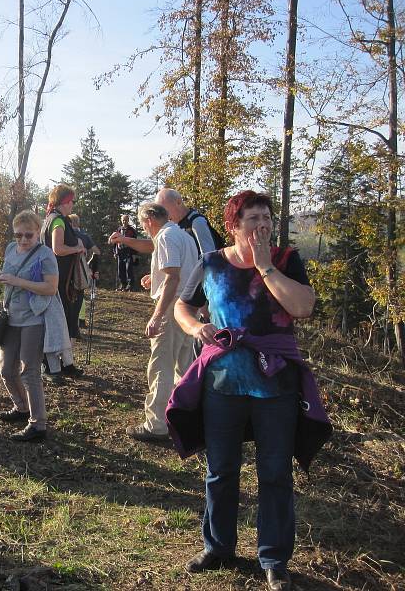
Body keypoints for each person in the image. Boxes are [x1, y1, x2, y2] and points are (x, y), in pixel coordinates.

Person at [170, 191, 319, 591]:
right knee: (220, 471)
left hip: (276, 387)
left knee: (275, 473)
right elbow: (182, 306)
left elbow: (303, 307)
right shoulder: (212, 263)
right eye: (252, 218)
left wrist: (266, 267)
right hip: (223, 384)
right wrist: (193, 327)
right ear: (234, 225)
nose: (262, 225)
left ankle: (273, 559)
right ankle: (218, 547)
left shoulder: (287, 261)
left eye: (267, 217)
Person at [112, 203, 198, 442]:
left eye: (142, 224)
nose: (143, 229)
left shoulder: (167, 237)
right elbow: (176, 270)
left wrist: (157, 315)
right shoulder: (182, 235)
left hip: (173, 307)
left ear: (149, 220)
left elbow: (173, 276)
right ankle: (182, 417)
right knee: (184, 365)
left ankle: (157, 424)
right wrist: (156, 277)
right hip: (189, 305)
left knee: (161, 364)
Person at [0, 210, 60, 442]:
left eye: (28, 235)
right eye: (18, 235)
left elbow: (51, 288)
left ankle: (38, 425)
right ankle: (21, 408)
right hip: (11, 318)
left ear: (38, 232)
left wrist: (19, 282)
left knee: (29, 371)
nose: (23, 240)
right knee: (7, 370)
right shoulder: (11, 249)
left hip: (34, 319)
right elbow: (9, 275)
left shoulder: (45, 255)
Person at [41, 184, 86, 377]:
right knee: (58, 323)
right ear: (65, 201)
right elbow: (57, 248)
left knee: (62, 322)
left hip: (58, 280)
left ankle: (66, 364)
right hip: (59, 282)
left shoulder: (50, 219)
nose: (73, 204)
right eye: (72, 201)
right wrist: (77, 248)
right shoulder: (58, 221)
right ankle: (51, 366)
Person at [156, 187, 224, 255]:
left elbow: (209, 256)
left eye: (166, 211)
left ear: (178, 202)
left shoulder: (197, 222)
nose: (164, 216)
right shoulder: (175, 226)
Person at [68, 213, 100, 328]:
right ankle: (81, 319)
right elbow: (97, 251)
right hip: (82, 268)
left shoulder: (67, 235)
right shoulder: (85, 236)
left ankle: (72, 320)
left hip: (67, 269)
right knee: (80, 292)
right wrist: (90, 264)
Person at [113, 214, 138, 290]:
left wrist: (134, 254)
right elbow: (115, 241)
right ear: (121, 220)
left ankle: (130, 285)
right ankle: (123, 285)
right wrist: (115, 252)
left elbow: (135, 242)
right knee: (121, 269)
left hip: (128, 252)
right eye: (123, 220)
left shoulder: (132, 230)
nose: (124, 222)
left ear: (128, 220)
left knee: (128, 269)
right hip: (120, 252)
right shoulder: (118, 230)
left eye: (126, 220)